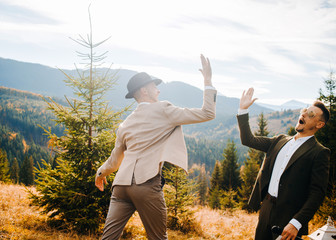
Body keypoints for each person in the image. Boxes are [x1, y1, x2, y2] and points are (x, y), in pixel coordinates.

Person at [95, 54, 217, 240]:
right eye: (154, 86)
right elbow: (207, 113)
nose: (158, 90)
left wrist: (100, 174)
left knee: (108, 238)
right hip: (146, 184)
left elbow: (114, 161)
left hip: (120, 187)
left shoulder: (125, 124)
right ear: (144, 91)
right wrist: (208, 82)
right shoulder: (164, 110)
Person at [237, 87, 330, 240]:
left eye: (311, 114)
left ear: (319, 124)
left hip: (289, 218)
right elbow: (248, 139)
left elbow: (317, 194)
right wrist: (242, 110)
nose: (304, 114)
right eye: (305, 110)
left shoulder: (319, 152)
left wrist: (297, 222)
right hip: (266, 208)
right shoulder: (279, 140)